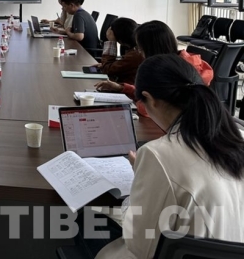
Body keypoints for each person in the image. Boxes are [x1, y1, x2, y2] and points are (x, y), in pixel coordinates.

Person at [81, 54, 244, 258]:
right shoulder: (237, 136)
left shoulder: (158, 155)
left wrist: (139, 181)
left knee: (84, 219)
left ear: (149, 99)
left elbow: (140, 245)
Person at [95, 21, 213, 117]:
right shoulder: (182, 62)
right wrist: (123, 88)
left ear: (150, 49)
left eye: (140, 48)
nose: (138, 52)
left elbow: (147, 109)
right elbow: (155, 95)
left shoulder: (169, 71)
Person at [94, 17, 143, 85]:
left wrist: (111, 42)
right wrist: (115, 63)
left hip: (125, 88)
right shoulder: (135, 49)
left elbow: (107, 70)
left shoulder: (135, 55)